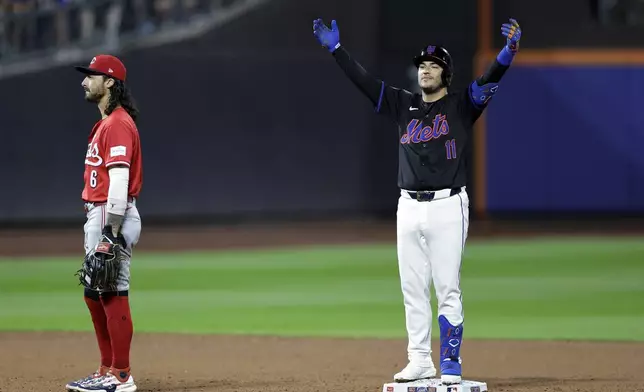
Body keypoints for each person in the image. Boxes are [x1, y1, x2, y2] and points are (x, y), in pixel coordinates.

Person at [312, 17, 522, 384]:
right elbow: (364, 83)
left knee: (446, 286)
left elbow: (489, 80)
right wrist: (337, 50)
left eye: (433, 65)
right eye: (422, 66)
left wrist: (508, 53)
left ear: (446, 74)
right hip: (407, 206)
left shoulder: (461, 106)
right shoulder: (401, 104)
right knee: (412, 287)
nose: (425, 70)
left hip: (447, 204)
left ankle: (451, 360)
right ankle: (420, 359)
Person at [65, 54, 143, 392]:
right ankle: (106, 368)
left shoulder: (118, 123)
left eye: (91, 75)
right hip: (99, 214)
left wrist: (111, 232)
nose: (84, 81)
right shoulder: (106, 123)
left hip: (113, 214)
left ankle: (121, 375)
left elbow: (119, 180)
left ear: (110, 82)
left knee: (112, 292)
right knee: (93, 292)